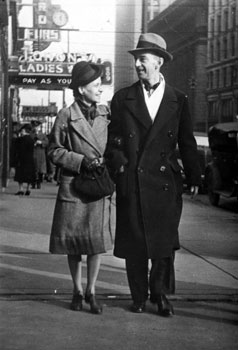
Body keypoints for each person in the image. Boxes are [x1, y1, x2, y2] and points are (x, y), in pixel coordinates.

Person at [106, 33, 202, 316]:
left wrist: (195, 177)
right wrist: (120, 163)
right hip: (132, 180)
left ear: (159, 62)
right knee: (134, 242)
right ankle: (138, 296)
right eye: (136, 59)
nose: (138, 65)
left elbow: (187, 142)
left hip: (165, 183)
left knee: (163, 245)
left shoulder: (178, 99)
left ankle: (159, 295)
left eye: (143, 59)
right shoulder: (123, 98)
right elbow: (112, 140)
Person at [48, 61, 113, 314]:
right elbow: (54, 151)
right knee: (74, 244)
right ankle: (76, 290)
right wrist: (80, 161)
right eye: (96, 85)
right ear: (82, 88)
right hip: (75, 185)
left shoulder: (106, 113)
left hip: (97, 184)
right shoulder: (66, 115)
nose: (100, 89)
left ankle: (92, 291)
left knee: (95, 244)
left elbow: (114, 143)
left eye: (100, 85)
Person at [13, 123, 36, 196]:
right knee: (29, 175)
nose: (21, 132)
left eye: (22, 131)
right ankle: (28, 189)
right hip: (30, 160)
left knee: (20, 175)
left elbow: (17, 149)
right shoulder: (31, 140)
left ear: (24, 130)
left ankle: (21, 189)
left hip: (21, 159)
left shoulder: (20, 140)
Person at [32, 124, 48, 189]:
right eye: (35, 126)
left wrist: (41, 142)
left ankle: (39, 183)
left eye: (37, 126)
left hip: (40, 153)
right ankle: (33, 183)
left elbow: (47, 142)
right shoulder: (31, 134)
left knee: (40, 170)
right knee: (33, 169)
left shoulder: (43, 135)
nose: (36, 128)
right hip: (33, 153)